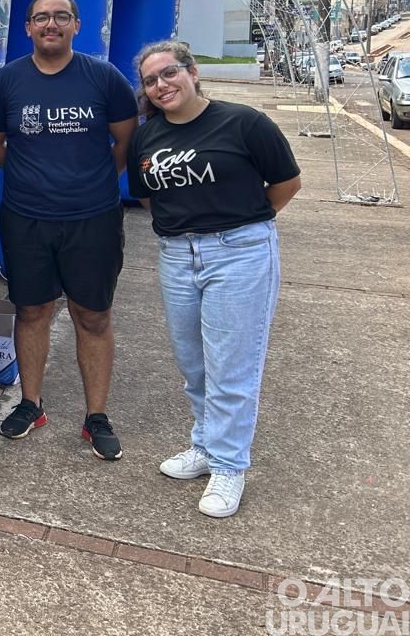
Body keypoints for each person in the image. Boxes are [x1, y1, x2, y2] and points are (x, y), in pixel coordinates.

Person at [128, 40, 300, 517]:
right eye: (151, 80)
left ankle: (229, 465)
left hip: (239, 253)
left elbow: (286, 183)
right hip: (177, 255)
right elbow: (147, 198)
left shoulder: (244, 123)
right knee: (195, 363)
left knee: (232, 367)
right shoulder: (147, 137)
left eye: (169, 73)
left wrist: (243, 226)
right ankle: (205, 445)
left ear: (193, 71)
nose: (162, 85)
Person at [0, 0, 137, 462]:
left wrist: (92, 183)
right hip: (26, 218)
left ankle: (96, 417)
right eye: (41, 17)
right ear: (26, 27)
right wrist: (36, 180)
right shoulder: (7, 82)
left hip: (93, 219)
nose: (51, 24)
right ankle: (31, 404)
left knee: (93, 316)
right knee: (32, 312)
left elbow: (124, 140)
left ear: (76, 25)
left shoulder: (103, 78)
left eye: (61, 17)